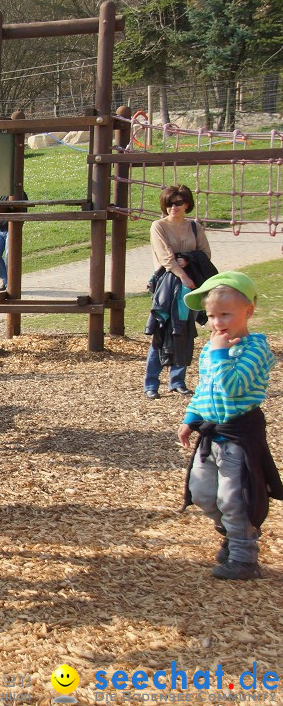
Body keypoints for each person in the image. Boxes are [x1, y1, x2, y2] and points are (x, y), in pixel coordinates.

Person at [178, 272, 280, 580]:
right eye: (211, 316)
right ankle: (237, 533)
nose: (217, 322)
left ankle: (244, 557)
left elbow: (231, 387)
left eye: (225, 314)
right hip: (212, 432)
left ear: (248, 311)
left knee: (233, 498)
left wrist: (221, 352)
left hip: (238, 434)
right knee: (202, 492)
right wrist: (189, 419)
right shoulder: (212, 348)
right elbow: (205, 388)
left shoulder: (255, 349)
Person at [144, 184, 212, 399]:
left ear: (187, 204)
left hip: (188, 285)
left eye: (178, 203)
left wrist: (188, 260)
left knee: (185, 330)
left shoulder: (194, 227)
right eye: (169, 203)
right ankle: (151, 384)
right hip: (168, 284)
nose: (173, 207)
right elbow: (165, 257)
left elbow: (205, 253)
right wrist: (183, 275)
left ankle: (177, 381)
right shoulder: (159, 226)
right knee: (162, 330)